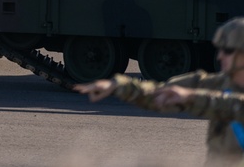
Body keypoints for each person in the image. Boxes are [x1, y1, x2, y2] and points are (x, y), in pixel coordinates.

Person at [76, 17, 244, 164]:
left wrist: (191, 97)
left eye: (228, 50)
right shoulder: (216, 84)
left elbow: (233, 106)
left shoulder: (223, 97)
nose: (219, 56)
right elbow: (161, 93)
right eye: (220, 49)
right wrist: (119, 86)